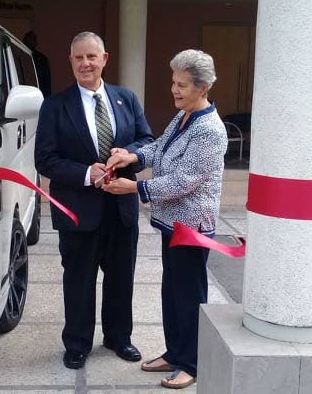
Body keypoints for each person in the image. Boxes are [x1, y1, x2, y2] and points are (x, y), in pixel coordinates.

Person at [102, 49, 226, 389]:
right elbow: (159, 148)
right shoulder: (184, 116)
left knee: (188, 295)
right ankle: (175, 353)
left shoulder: (210, 131)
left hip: (191, 226)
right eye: (173, 82)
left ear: (202, 88)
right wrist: (133, 155)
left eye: (182, 85)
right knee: (171, 292)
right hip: (171, 223)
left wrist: (135, 187)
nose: (174, 89)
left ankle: (192, 362)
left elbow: (185, 181)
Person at [34, 31, 154, 370]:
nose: (85, 63)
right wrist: (88, 173)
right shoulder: (55, 106)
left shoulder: (126, 98)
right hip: (77, 211)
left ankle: (119, 337)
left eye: (92, 56)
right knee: (79, 280)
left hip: (121, 210)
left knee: (121, 279)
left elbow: (148, 140)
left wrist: (129, 155)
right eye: (78, 58)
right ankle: (77, 343)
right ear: (70, 62)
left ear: (105, 59)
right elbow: (45, 159)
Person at [23, 31, 52, 98]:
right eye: (30, 38)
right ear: (24, 40)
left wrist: (47, 98)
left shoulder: (42, 58)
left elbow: (47, 81)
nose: (32, 41)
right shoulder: (20, 55)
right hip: (23, 93)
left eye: (34, 39)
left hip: (39, 94)